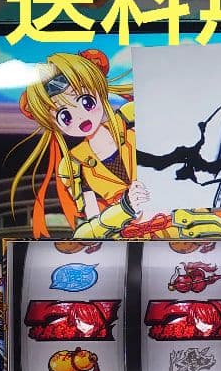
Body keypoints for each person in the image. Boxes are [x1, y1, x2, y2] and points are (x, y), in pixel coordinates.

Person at [10, 49, 149, 238]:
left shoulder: (132, 117)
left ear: (99, 91)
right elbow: (92, 227)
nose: (81, 117)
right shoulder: (73, 165)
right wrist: (125, 207)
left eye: (86, 102)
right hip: (127, 239)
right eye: (65, 116)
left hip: (176, 224)